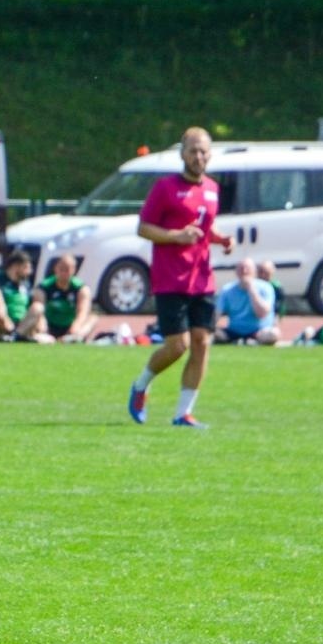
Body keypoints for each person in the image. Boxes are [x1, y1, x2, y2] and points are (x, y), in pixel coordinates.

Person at [126, 126, 233, 428]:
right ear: (182, 154)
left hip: (202, 278)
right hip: (171, 278)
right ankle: (140, 386)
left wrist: (220, 239)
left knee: (202, 343)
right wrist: (176, 236)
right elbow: (144, 228)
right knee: (177, 345)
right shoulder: (165, 188)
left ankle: (183, 413)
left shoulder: (212, 188)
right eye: (193, 151)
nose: (198, 156)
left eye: (203, 151)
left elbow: (204, 227)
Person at [0, 249, 48, 342]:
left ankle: (16, 335)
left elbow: (32, 305)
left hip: (23, 323)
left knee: (38, 307)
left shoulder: (26, 283)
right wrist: (5, 316)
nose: (29, 272)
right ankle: (8, 334)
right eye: (26, 267)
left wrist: (41, 321)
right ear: (16, 266)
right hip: (5, 321)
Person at [212, 257, 279, 345]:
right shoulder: (227, 290)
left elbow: (262, 314)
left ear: (254, 272)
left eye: (248, 269)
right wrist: (209, 327)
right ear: (236, 272)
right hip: (233, 331)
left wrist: (251, 289)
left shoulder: (266, 287)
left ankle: (252, 341)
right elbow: (217, 313)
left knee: (274, 334)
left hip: (259, 331)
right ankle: (239, 340)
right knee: (212, 333)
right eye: (241, 269)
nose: (244, 271)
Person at [32, 252, 96, 342]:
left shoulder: (81, 289)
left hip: (70, 326)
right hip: (49, 325)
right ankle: (45, 337)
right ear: (55, 268)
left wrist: (75, 326)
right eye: (61, 268)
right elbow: (39, 309)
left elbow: (83, 312)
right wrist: (42, 324)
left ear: (74, 270)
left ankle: (73, 337)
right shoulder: (44, 287)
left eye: (67, 269)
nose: (64, 272)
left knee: (93, 318)